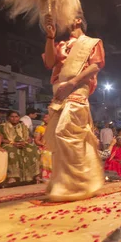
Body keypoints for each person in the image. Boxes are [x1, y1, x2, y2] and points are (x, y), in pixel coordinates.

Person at [42, 13, 105, 202]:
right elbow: (49, 63)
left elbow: (95, 66)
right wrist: (50, 36)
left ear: (78, 20)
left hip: (78, 87)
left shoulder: (91, 42)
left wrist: (73, 82)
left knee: (66, 131)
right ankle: (70, 182)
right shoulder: (61, 44)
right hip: (59, 92)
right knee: (61, 136)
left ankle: (77, 183)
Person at [0, 110, 41, 184]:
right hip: (9, 144)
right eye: (12, 117)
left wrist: (25, 142)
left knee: (34, 149)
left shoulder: (23, 126)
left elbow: (30, 138)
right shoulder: (2, 126)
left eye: (16, 117)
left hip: (24, 143)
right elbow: (0, 139)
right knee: (12, 151)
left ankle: (35, 175)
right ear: (8, 118)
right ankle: (12, 177)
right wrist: (12, 143)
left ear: (19, 118)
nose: (14, 119)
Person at [34, 113, 52, 181]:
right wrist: (43, 145)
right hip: (44, 147)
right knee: (48, 154)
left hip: (55, 147)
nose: (46, 119)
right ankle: (46, 176)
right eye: (45, 117)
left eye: (48, 117)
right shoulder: (40, 128)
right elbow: (36, 140)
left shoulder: (57, 128)